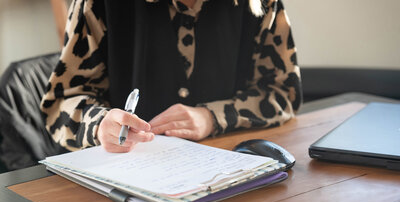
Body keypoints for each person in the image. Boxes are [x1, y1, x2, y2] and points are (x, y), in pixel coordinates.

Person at [40, 0, 302, 153]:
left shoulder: (259, 4)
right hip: (125, 184)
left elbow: (283, 92)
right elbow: (61, 103)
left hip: (227, 176)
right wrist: (99, 125)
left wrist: (213, 117)